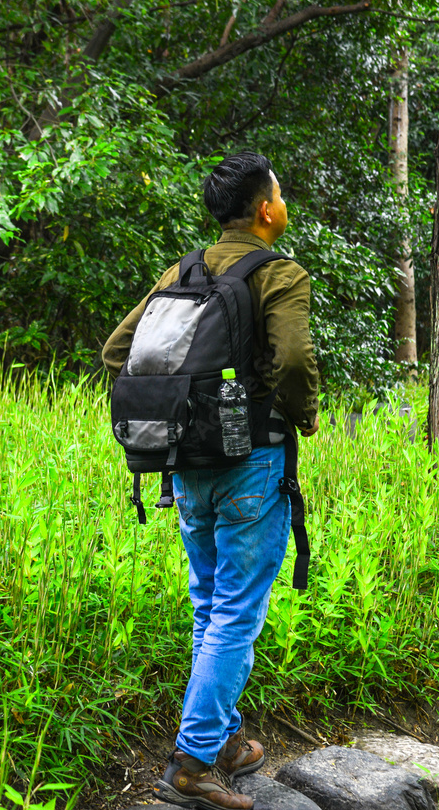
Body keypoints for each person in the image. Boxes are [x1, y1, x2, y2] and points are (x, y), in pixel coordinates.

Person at [102, 151, 319, 810]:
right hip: (253, 463)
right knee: (236, 614)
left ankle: (224, 741)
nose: (283, 202)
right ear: (264, 209)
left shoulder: (182, 272)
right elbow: (293, 359)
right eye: (280, 193)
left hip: (185, 465)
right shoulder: (279, 274)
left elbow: (118, 351)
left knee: (210, 605)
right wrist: (303, 417)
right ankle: (192, 763)